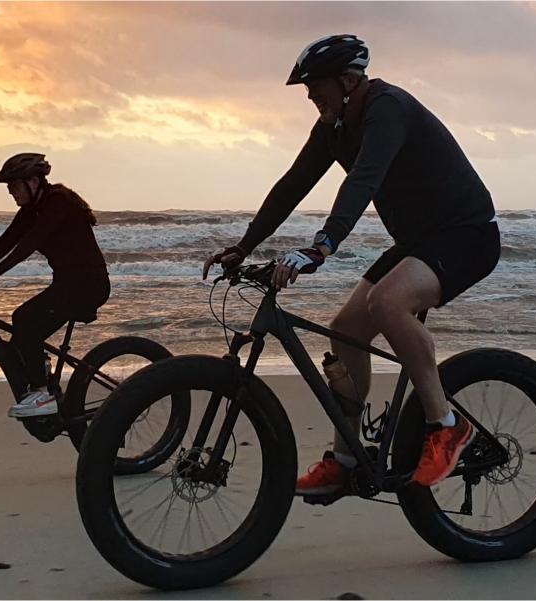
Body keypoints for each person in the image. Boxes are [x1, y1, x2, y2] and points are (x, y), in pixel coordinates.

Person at [203, 34, 501, 494]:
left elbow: (364, 179)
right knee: (345, 334)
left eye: (315, 86)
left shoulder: (388, 108)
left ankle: (445, 426)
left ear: (347, 80)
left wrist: (322, 246)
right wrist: (243, 246)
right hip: (418, 241)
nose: (309, 96)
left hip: (467, 234)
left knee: (387, 302)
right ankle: (345, 460)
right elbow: (292, 185)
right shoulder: (333, 126)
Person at [0, 153, 110, 418]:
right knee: (22, 340)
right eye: (9, 188)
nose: (11, 192)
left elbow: (31, 242)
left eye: (14, 186)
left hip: (88, 286)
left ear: (34, 182)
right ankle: (43, 378)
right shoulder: (30, 211)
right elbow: (2, 244)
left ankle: (42, 393)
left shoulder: (58, 202)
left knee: (24, 319)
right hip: (67, 284)